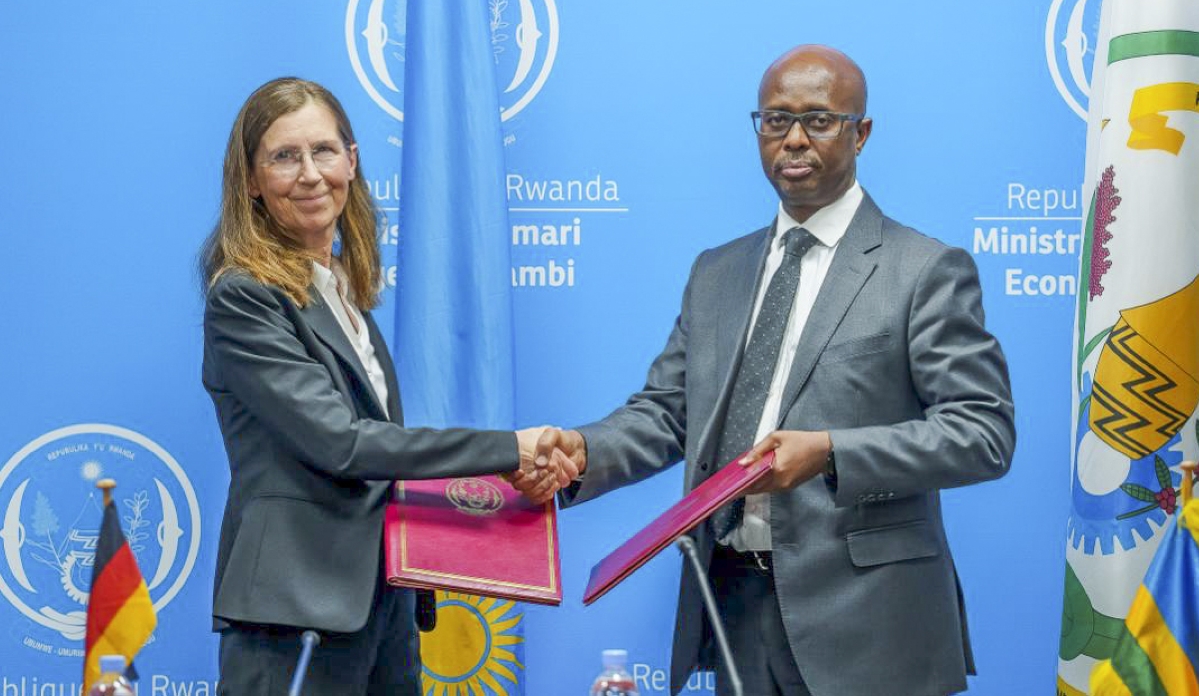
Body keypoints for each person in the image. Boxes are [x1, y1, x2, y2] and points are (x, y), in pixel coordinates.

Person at [523, 45, 1016, 696]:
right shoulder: (716, 272)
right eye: (776, 120)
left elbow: (982, 434)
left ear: (861, 133)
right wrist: (583, 451)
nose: (794, 139)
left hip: (869, 621)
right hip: (733, 603)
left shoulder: (923, 270)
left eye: (819, 120)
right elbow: (669, 413)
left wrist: (830, 452)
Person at [199, 78, 566, 695]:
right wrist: (508, 449)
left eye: (323, 150)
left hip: (381, 604)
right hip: (294, 612)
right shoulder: (244, 296)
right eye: (285, 156)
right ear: (252, 181)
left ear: (352, 159)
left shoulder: (342, 289)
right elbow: (342, 444)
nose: (310, 174)